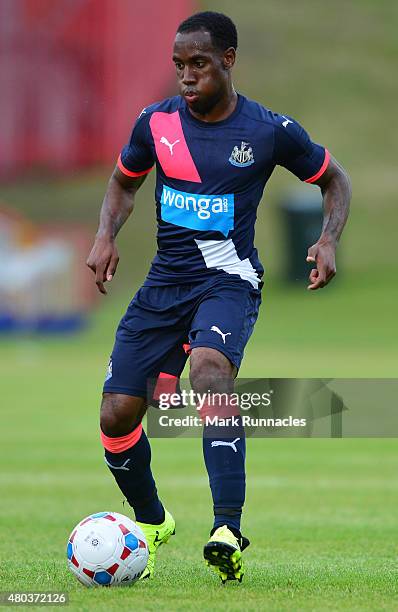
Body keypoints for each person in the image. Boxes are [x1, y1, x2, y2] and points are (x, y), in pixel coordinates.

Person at [86, 11, 351, 583]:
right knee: (117, 414)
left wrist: (327, 239)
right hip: (163, 285)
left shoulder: (266, 131)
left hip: (227, 282)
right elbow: (123, 182)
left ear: (228, 60)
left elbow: (334, 179)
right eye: (179, 65)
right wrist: (106, 235)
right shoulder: (155, 123)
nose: (186, 76)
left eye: (199, 63)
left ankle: (227, 528)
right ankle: (152, 522)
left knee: (210, 373)